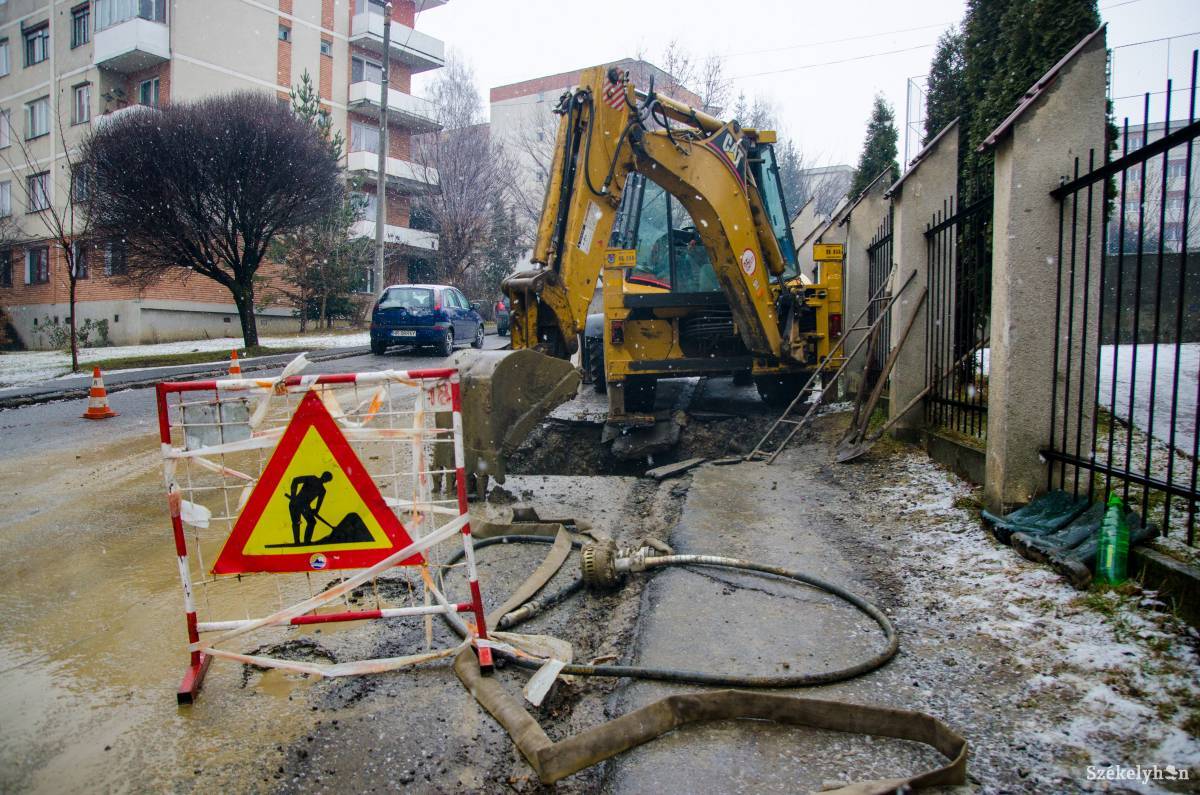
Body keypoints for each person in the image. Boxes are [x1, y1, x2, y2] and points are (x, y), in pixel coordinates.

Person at [288, 471, 333, 545]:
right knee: (297, 522)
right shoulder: (312, 478)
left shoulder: (322, 490)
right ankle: (297, 542)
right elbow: (295, 480)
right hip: (295, 503)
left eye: (327, 480)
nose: (326, 480)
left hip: (304, 506)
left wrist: (316, 511)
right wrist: (293, 496)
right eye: (327, 479)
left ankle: (306, 542)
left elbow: (319, 503)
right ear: (323, 476)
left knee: (311, 522)